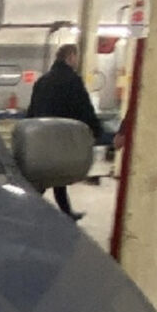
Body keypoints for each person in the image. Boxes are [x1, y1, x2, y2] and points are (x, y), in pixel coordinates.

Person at [25, 42, 105, 220]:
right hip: (61, 136)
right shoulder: (72, 80)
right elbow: (84, 108)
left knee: (51, 175)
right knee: (54, 175)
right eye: (76, 57)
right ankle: (29, 210)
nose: (77, 61)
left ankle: (64, 211)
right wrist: (96, 129)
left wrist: (29, 132)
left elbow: (32, 109)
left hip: (41, 137)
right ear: (70, 57)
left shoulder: (42, 81)